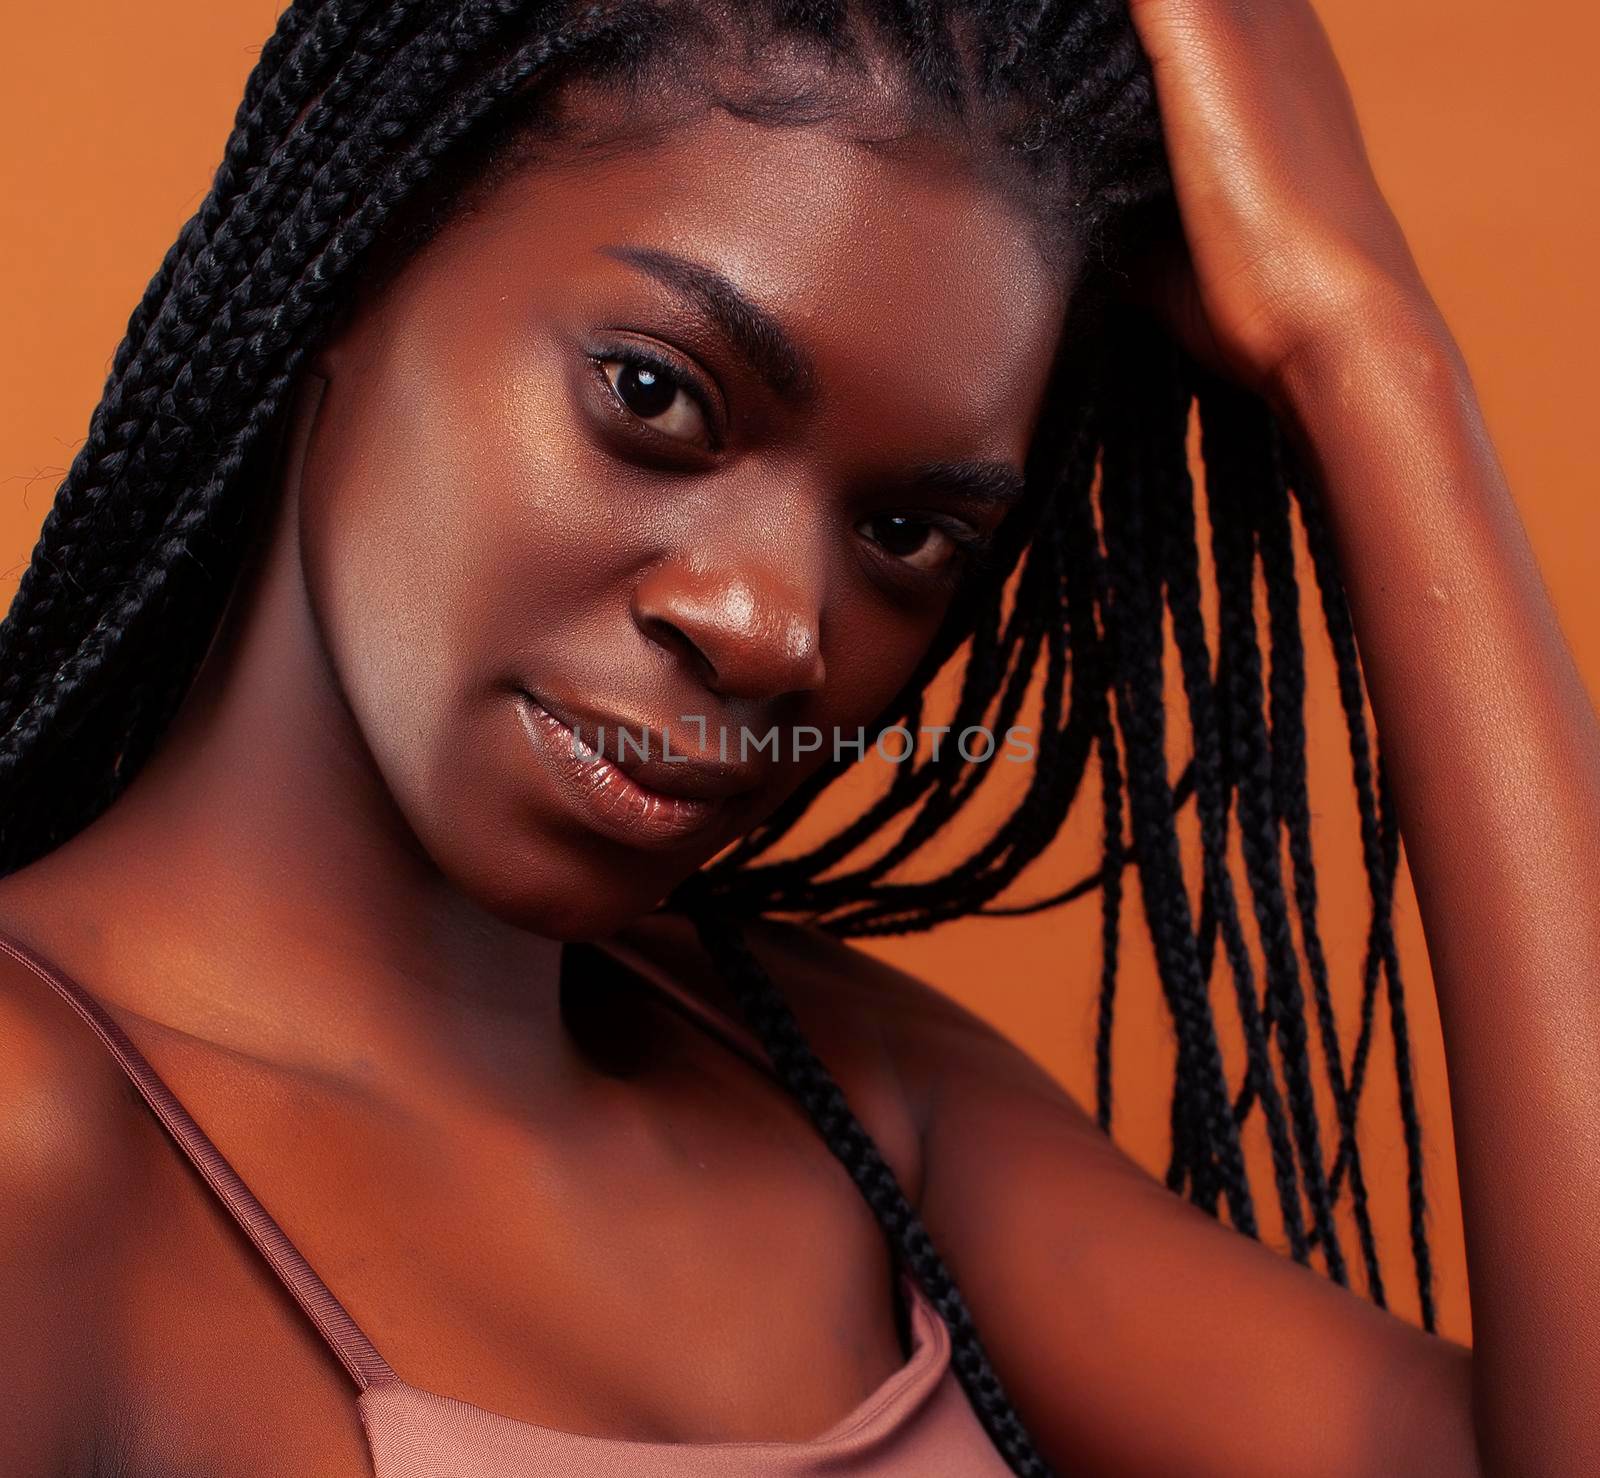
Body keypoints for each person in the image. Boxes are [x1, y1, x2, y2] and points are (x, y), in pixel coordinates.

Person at [0, 0, 1594, 1473]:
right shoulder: (40, 1146)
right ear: (354, 252)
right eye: (655, 393)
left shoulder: (852, 1100)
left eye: (904, 533)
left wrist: (1364, 344)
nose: (777, 627)